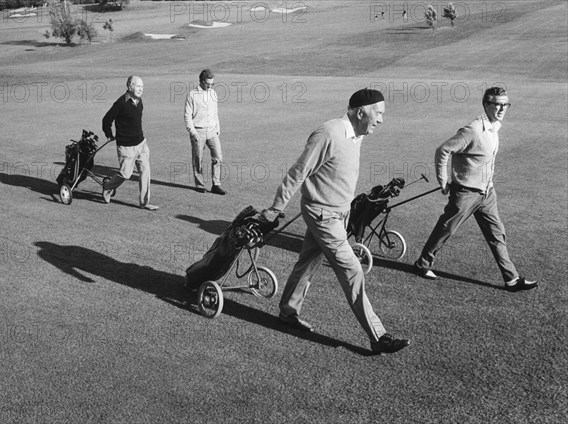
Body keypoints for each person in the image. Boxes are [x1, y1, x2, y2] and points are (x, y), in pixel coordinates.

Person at [260, 88, 410, 354]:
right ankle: (378, 336)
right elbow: (299, 171)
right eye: (378, 113)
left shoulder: (357, 134)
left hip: (338, 214)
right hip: (323, 215)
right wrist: (276, 207)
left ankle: (287, 312)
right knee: (352, 270)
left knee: (307, 262)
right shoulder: (329, 133)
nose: (381, 120)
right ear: (360, 111)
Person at [413, 87, 538, 292]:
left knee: (497, 234)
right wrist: (443, 180)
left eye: (505, 104)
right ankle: (422, 264)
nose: (502, 108)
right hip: (466, 193)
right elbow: (443, 150)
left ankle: (512, 280)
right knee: (447, 229)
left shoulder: (494, 127)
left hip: (487, 193)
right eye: (497, 104)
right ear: (486, 104)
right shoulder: (472, 130)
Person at [102, 76, 158, 210]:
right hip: (126, 147)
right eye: (138, 86)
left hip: (141, 144)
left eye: (142, 87)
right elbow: (106, 120)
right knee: (125, 174)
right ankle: (108, 186)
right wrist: (109, 135)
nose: (141, 89)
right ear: (129, 86)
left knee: (145, 172)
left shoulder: (139, 101)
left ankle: (144, 203)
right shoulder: (121, 103)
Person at [184, 69, 226, 195]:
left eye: (212, 84)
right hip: (198, 131)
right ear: (201, 81)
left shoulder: (213, 93)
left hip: (212, 131)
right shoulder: (192, 94)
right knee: (198, 159)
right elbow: (187, 115)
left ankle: (216, 184)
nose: (210, 86)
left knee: (218, 157)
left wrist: (217, 128)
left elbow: (215, 113)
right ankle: (199, 184)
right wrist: (192, 131)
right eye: (208, 83)